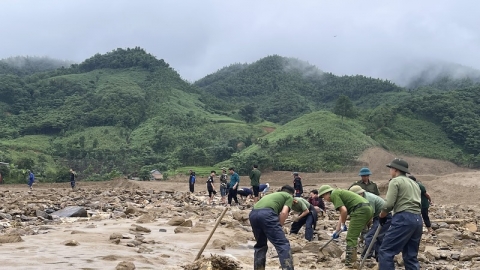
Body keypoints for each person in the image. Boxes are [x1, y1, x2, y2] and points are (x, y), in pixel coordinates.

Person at [378, 158, 422, 270]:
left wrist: (382, 215)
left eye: (391, 168)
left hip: (403, 218)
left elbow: (389, 204)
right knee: (411, 255)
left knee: (386, 251)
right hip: (417, 219)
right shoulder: (414, 183)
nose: (390, 171)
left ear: (395, 170)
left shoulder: (395, 181)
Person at [318, 185, 373, 268]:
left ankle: (350, 264)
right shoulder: (339, 192)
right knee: (362, 233)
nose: (324, 199)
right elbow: (342, 213)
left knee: (351, 238)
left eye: (323, 196)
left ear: (327, 193)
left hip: (360, 210)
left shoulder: (334, 195)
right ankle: (364, 257)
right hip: (368, 209)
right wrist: (337, 229)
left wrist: (343, 224)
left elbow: (344, 211)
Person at [249, 185, 295, 270]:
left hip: (253, 214)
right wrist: (280, 225)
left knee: (260, 245)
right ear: (292, 194)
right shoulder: (289, 196)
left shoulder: (273, 195)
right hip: (267, 214)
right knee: (283, 244)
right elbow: (284, 213)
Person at [349, 185, 392, 260]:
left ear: (360, 194)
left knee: (370, 236)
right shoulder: (363, 198)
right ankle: (379, 257)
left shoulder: (368, 199)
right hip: (379, 216)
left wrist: (367, 227)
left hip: (385, 216)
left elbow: (370, 216)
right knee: (379, 236)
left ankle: (367, 256)